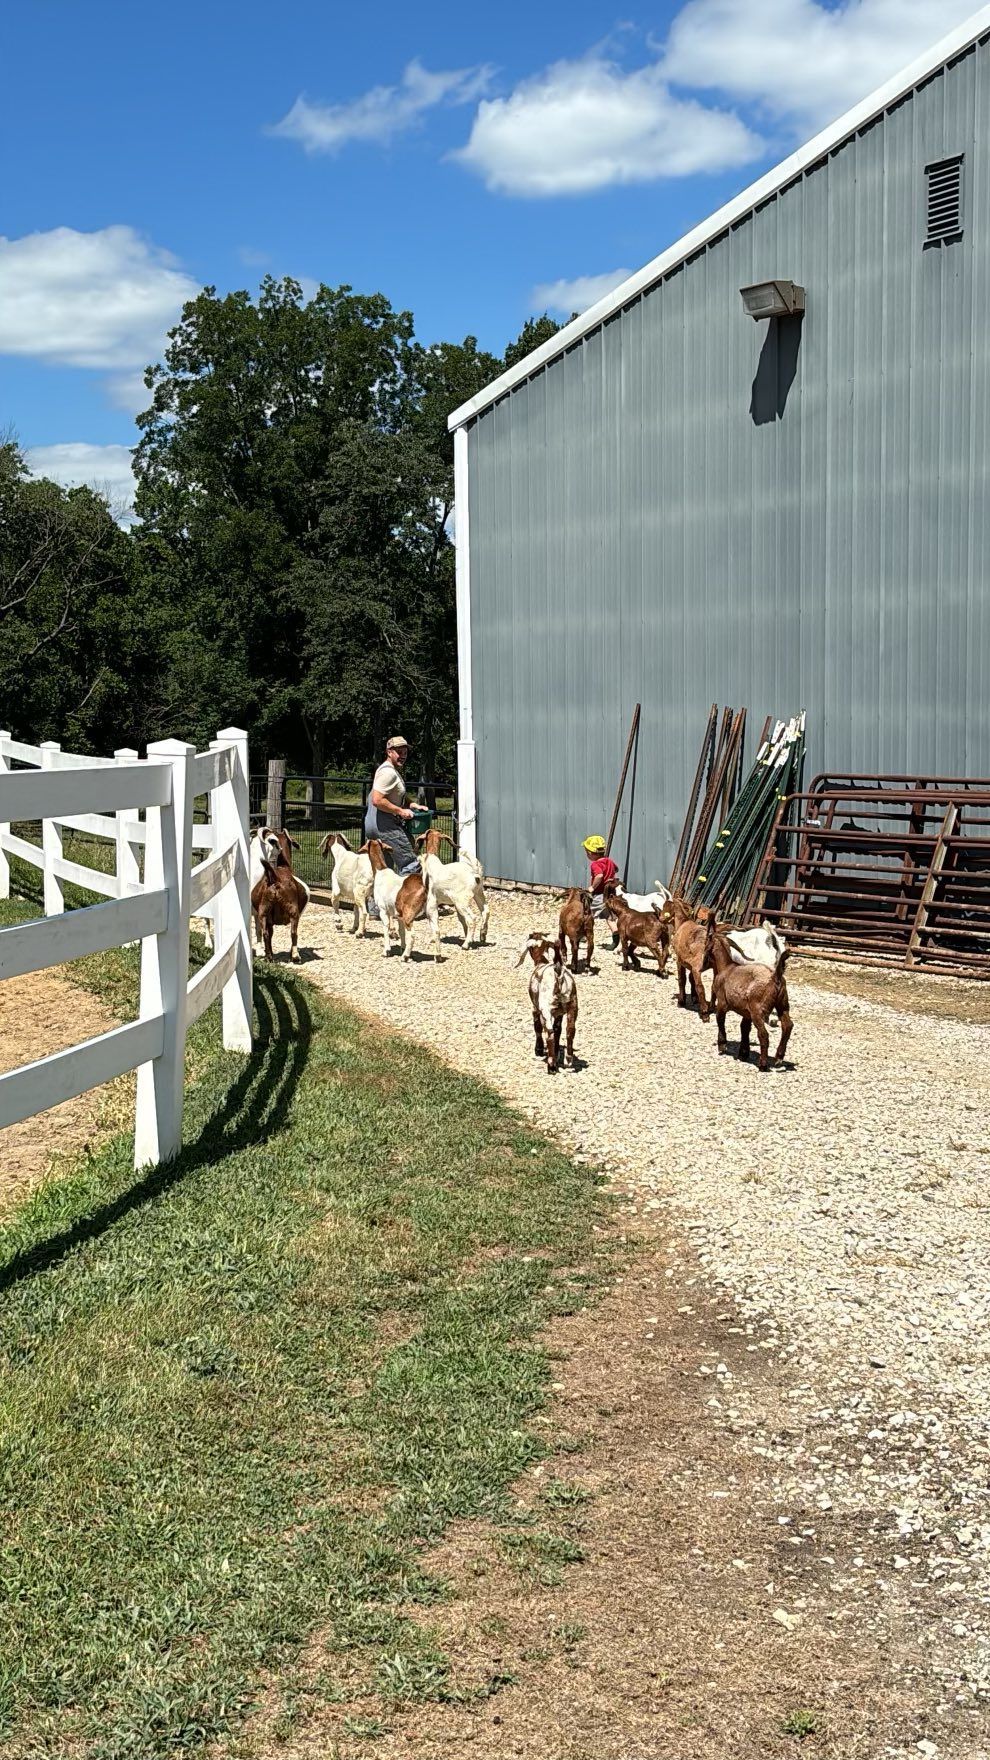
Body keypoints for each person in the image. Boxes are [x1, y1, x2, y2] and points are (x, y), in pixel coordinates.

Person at [363, 738, 421, 919]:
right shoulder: (389, 773)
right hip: (385, 826)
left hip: (372, 826)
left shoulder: (384, 770)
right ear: (389, 752)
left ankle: (375, 910)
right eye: (398, 751)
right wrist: (400, 811)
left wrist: (412, 805)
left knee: (382, 869)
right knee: (409, 863)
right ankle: (410, 907)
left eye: (405, 751)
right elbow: (378, 800)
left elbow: (395, 794)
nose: (403, 755)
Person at [582, 835, 619, 917]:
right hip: (611, 893)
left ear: (590, 853)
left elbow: (599, 875)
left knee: (587, 912)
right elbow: (616, 869)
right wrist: (609, 873)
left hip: (600, 894)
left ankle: (586, 928)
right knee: (610, 917)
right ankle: (615, 930)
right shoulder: (609, 861)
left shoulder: (595, 864)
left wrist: (592, 887)